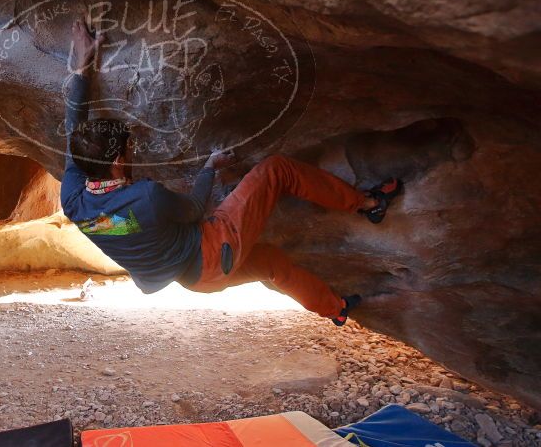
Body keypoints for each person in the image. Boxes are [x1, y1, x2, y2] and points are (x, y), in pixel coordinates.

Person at [60, 18, 402, 326]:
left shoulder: (75, 198)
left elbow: (73, 124)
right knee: (277, 170)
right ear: (118, 161)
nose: (132, 151)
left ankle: (335, 308)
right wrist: (209, 167)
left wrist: (81, 68)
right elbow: (194, 208)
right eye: (128, 148)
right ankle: (367, 204)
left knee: (271, 264)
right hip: (214, 249)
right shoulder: (144, 198)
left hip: (198, 280)